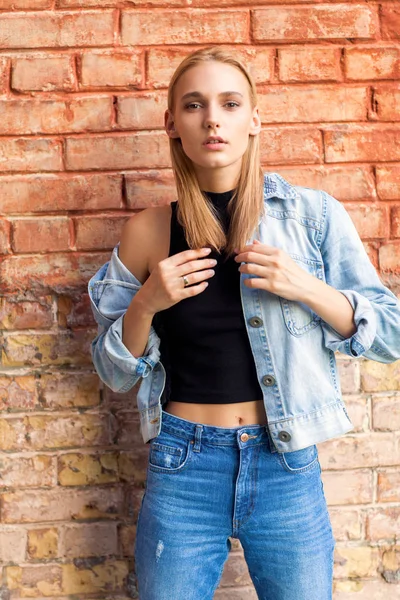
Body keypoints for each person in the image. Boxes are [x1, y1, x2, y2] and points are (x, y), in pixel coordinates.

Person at [88, 47, 400, 600]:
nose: (212, 118)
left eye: (230, 104)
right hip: (183, 467)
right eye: (194, 105)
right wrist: (146, 304)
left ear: (253, 120)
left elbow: (391, 333)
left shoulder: (313, 217)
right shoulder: (148, 232)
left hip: (286, 464)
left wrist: (306, 286)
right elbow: (112, 373)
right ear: (172, 124)